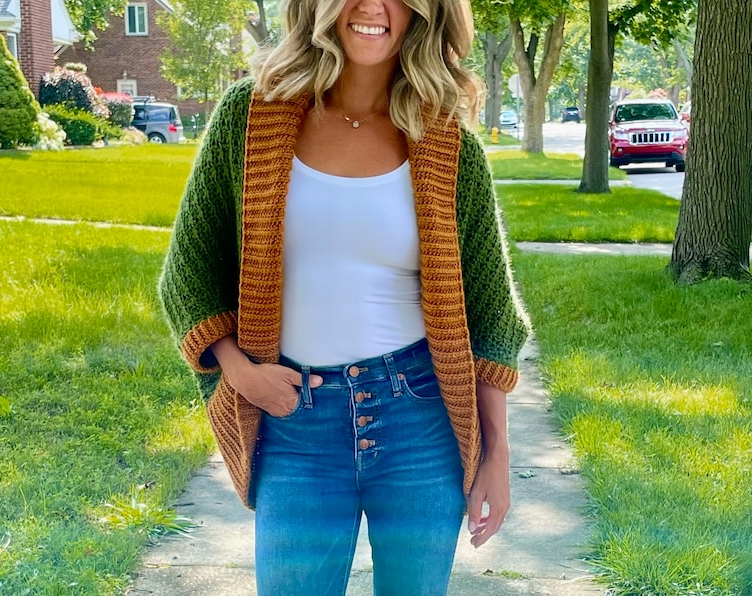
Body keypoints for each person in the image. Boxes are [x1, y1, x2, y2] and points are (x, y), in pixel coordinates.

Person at [159, 0, 529, 593]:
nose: (372, 7)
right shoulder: (252, 118)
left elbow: (491, 317)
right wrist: (240, 372)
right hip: (295, 423)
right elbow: (189, 271)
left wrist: (497, 457)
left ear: (421, 14)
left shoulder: (446, 141)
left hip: (419, 420)